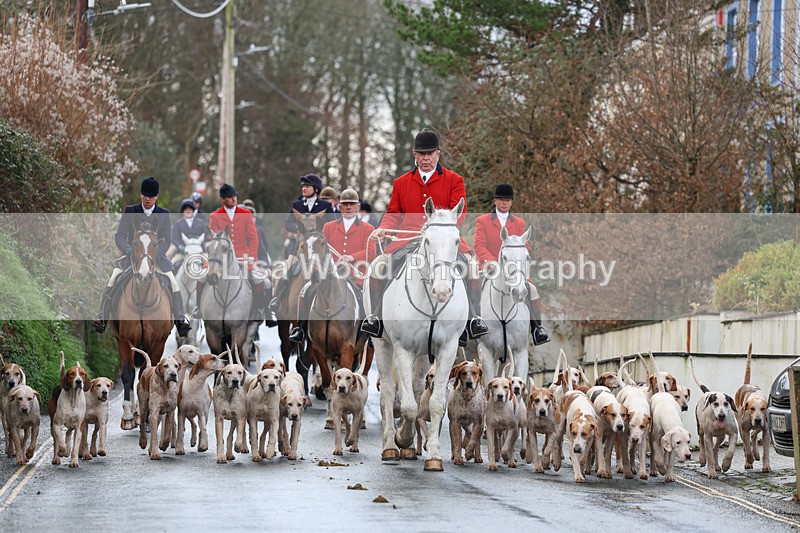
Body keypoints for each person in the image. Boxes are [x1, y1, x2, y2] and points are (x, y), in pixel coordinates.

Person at [360, 129, 489, 343]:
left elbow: (460, 212)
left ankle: (473, 319)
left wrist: (440, 230)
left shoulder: (454, 180)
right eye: (421, 154)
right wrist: (384, 228)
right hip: (406, 240)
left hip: (443, 241)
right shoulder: (401, 182)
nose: (426, 158)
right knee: (378, 266)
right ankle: (375, 318)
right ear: (415, 155)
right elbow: (394, 213)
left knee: (472, 267)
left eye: (430, 153)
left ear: (438, 154)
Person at [92, 177, 191, 336]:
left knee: (173, 281)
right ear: (140, 194)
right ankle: (102, 317)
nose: (147, 199)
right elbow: (120, 236)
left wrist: (153, 256)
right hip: (132, 257)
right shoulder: (130, 211)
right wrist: (130, 250)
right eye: (145, 195)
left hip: (156, 260)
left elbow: (166, 239)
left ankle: (180, 320)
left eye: (151, 196)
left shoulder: (164, 214)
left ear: (156, 197)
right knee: (113, 278)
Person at [289, 188, 375, 343]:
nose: (348, 207)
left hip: (356, 274)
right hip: (330, 273)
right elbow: (321, 248)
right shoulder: (328, 227)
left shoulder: (367, 228)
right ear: (340, 207)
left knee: (368, 297)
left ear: (357, 208)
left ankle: (369, 331)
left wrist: (351, 257)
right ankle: (300, 329)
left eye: (352, 204)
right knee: (305, 291)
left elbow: (371, 252)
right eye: (345, 204)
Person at [474, 183, 550, 345]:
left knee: (532, 289)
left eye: (508, 200)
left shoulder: (519, 223)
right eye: (501, 200)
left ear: (511, 202)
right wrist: (493, 263)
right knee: (473, 285)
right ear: (495, 201)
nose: (504, 203)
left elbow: (524, 246)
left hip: (514, 270)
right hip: (489, 267)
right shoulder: (483, 221)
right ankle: (473, 323)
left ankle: (537, 328)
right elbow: (479, 245)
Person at [193, 183, 268, 320]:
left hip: (243, 256)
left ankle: (259, 310)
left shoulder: (246, 214)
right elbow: (213, 239)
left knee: (259, 278)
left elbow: (253, 238)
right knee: (201, 276)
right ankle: (198, 308)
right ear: (223, 199)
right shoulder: (215, 216)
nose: (234, 199)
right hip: (220, 257)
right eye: (230, 197)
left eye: (235, 196)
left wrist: (251, 256)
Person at [269, 174, 335, 312]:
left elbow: (333, 224)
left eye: (307, 186)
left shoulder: (326, 206)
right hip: (298, 248)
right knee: (286, 271)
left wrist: (316, 231)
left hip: (319, 248)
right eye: (303, 186)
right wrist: (300, 230)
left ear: (316, 189)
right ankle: (278, 299)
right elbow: (288, 223)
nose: (304, 188)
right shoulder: (297, 205)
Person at [167, 198, 208, 271]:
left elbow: (207, 235)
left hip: (199, 252)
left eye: (190, 209)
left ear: (193, 210)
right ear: (183, 211)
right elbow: (174, 238)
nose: (188, 211)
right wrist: (181, 247)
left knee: (208, 265)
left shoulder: (201, 222)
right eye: (185, 209)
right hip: (183, 252)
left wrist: (200, 240)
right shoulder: (178, 223)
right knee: (172, 264)